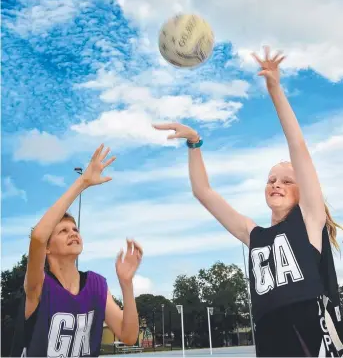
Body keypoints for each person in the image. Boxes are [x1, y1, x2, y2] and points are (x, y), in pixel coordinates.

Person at [153, 47, 343, 357]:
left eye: (285, 180)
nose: (275, 184)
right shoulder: (254, 235)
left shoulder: (309, 221)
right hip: (269, 338)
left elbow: (298, 146)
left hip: (311, 337)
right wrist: (194, 143)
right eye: (270, 179)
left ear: (302, 192)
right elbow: (204, 192)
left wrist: (274, 90)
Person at [19, 144, 143, 357]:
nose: (73, 233)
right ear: (48, 249)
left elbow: (129, 336)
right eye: (63, 231)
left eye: (75, 229)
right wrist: (83, 182)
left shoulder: (96, 285)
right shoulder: (38, 285)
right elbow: (38, 236)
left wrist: (126, 285)